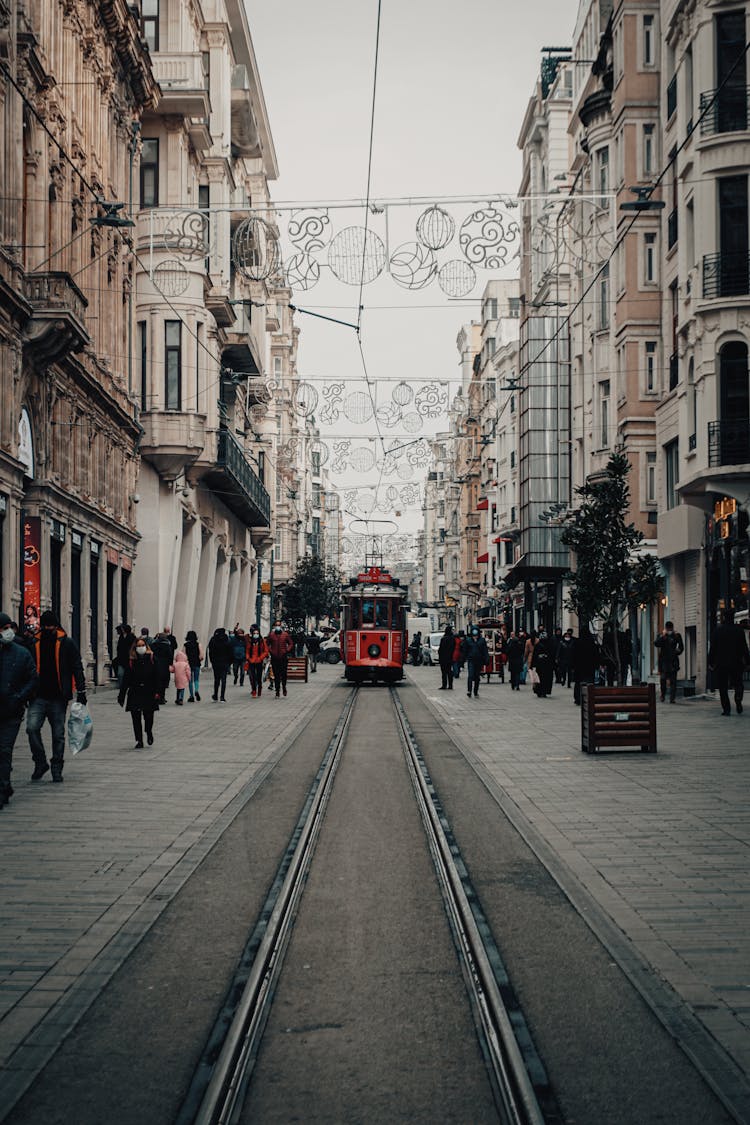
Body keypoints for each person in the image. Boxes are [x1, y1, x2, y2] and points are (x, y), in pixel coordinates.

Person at [26, 609, 86, 782]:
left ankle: (56, 767)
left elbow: (76, 666)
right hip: (37, 696)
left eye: (51, 625)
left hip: (58, 697)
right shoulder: (34, 643)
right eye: (45, 625)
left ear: (56, 625)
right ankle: (40, 761)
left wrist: (81, 691)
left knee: (58, 734)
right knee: (31, 728)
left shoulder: (66, 643)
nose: (48, 628)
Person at [0, 612, 38, 809]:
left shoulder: (21, 653)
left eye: (8, 628)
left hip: (11, 712)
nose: (7, 632)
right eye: (3, 628)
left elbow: (32, 678)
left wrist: (19, 698)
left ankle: (2, 788)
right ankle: (5, 786)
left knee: (4, 750)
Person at [118, 639, 160, 747]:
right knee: (135, 717)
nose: (141, 647)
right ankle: (139, 740)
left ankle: (148, 731)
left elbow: (157, 677)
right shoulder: (131, 661)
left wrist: (158, 691)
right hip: (135, 691)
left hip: (149, 691)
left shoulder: (152, 659)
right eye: (138, 645)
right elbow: (126, 680)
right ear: (135, 648)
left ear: (146, 646)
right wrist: (121, 695)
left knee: (149, 716)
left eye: (142, 645)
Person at [708, 609, 750, 717]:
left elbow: (713, 648)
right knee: (738, 683)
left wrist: (710, 662)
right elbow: (744, 647)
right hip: (736, 662)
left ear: (724, 618)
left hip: (721, 663)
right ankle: (738, 699)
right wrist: (748, 661)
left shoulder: (718, 631)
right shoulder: (739, 631)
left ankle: (726, 709)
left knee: (723, 687)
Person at [654, 621, 684, 703]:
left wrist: (677, 651)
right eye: (668, 629)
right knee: (663, 679)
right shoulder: (662, 636)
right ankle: (663, 695)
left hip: (673, 661)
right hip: (664, 661)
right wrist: (663, 636)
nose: (669, 630)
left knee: (673, 681)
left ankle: (672, 698)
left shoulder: (677, 635)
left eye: (670, 628)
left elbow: (681, 647)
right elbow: (656, 643)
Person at [267, 620, 293, 698]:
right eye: (276, 625)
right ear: (274, 626)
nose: (278, 627)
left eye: (279, 625)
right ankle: (277, 691)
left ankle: (284, 687)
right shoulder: (271, 635)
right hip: (274, 657)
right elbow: (267, 644)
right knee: (276, 675)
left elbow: (291, 643)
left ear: (281, 626)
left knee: (283, 674)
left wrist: (287, 650)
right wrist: (271, 651)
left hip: (283, 657)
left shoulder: (285, 634)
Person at [461, 625, 489, 699]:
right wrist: (462, 660)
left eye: (476, 635)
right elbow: (464, 651)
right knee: (470, 675)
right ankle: (469, 690)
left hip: (479, 661)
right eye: (474, 635)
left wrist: (486, 659)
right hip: (471, 660)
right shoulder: (468, 640)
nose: (475, 637)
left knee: (477, 677)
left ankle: (475, 691)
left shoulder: (482, 640)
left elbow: (485, 651)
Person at [573, 628, 600, 706]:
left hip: (579, 667)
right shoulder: (592, 643)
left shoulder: (577, 643)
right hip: (589, 667)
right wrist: (597, 665)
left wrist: (573, 665)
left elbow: (573, 655)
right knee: (589, 682)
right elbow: (596, 655)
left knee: (578, 683)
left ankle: (578, 698)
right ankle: (589, 697)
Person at [208, 627, 233, 701]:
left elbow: (210, 652)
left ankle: (215, 695)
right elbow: (231, 652)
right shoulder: (227, 640)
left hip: (216, 663)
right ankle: (222, 697)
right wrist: (229, 662)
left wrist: (212, 661)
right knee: (224, 679)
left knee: (216, 679)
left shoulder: (213, 640)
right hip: (225, 663)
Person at [150, 628, 174, 705]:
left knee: (156, 681)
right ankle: (162, 698)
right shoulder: (167, 645)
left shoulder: (154, 644)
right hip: (164, 665)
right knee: (163, 683)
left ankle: (156, 696)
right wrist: (170, 664)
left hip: (155, 665)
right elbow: (170, 656)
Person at [530, 626, 554, 698]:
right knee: (545, 679)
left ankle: (540, 691)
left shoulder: (538, 645)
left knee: (540, 679)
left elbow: (534, 656)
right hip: (546, 665)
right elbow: (552, 655)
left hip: (540, 665)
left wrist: (532, 664)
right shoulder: (549, 645)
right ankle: (544, 691)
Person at [245, 626, 269, 697]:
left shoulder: (262, 641)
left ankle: (259, 687)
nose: (256, 634)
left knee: (258, 677)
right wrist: (248, 658)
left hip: (259, 661)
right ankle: (254, 690)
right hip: (251, 661)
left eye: (257, 633)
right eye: (254, 633)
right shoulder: (250, 641)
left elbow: (266, 651)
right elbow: (247, 651)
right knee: (252, 677)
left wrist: (261, 658)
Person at [114, 624, 136, 691]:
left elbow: (133, 647)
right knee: (120, 673)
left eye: (122, 629)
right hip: (121, 658)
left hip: (129, 658)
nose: (121, 630)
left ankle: (128, 685)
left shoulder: (132, 636)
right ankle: (122, 686)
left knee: (128, 672)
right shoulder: (121, 637)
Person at [184, 630, 203, 701]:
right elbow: (201, 656)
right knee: (196, 679)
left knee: (190, 680)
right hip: (197, 663)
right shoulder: (198, 644)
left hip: (189, 664)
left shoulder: (185, 645)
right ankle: (196, 690)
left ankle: (191, 696)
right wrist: (199, 659)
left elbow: (183, 655)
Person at [438, 625, 455, 690]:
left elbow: (440, 649)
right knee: (449, 671)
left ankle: (444, 685)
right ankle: (450, 685)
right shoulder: (452, 639)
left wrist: (440, 657)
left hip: (443, 658)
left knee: (444, 672)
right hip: (450, 657)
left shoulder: (443, 638)